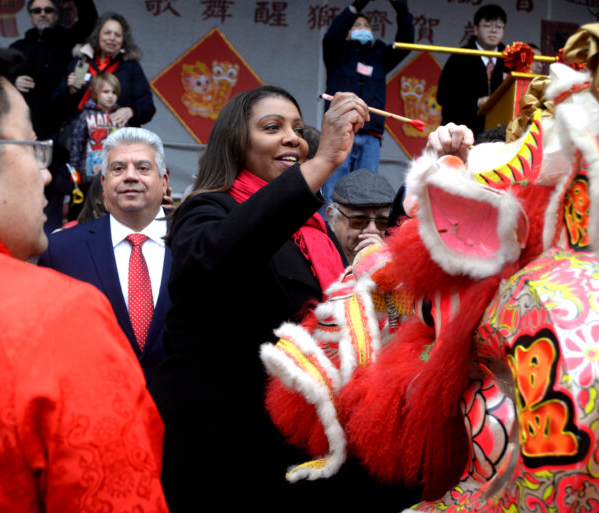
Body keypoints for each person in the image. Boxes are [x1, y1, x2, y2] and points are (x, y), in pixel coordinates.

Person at [0, 37, 167, 511]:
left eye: (143, 168)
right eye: (32, 147)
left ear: (164, 181)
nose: (46, 173)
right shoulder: (58, 315)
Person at [148, 86, 368, 511]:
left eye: (299, 130)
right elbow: (224, 254)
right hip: (222, 449)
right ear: (236, 143)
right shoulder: (207, 211)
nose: (294, 139)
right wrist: (323, 163)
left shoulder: (318, 232)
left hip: (299, 442)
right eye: (273, 127)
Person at [38, 127, 171, 382]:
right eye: (118, 169)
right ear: (104, 182)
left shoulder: (199, 243)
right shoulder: (60, 250)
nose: (130, 176)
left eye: (143, 168)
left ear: (164, 181)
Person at [9, 0, 97, 233]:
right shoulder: (17, 47)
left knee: (54, 191)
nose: (42, 14)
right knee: (20, 186)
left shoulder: (69, 43)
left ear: (57, 15)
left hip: (59, 131)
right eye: (37, 10)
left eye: (48, 10)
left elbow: (89, 19)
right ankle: (19, 239)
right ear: (29, 15)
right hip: (24, 132)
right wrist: (13, 81)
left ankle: (48, 247)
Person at [320, 0, 414, 209]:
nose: (364, 29)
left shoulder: (380, 55)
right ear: (348, 31)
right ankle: (329, 234)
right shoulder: (337, 52)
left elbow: (406, 43)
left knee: (366, 191)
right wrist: (355, 7)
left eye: (367, 26)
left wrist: (402, 11)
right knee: (334, 190)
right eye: (357, 25)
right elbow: (332, 35)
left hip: (371, 134)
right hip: (342, 130)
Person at [53, 11, 156, 129]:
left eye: (117, 35)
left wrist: (131, 111)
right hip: (81, 136)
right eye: (107, 33)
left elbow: (148, 107)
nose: (112, 38)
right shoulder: (81, 62)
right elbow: (54, 106)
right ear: (98, 36)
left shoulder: (131, 66)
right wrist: (69, 91)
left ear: (123, 40)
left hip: (119, 137)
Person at [437, 4, 509, 135]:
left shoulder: (510, 59)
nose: (493, 31)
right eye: (487, 26)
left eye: (499, 27)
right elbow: (443, 96)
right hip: (463, 132)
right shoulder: (459, 57)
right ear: (476, 29)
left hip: (499, 135)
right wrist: (477, 102)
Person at [327, 168, 395, 263]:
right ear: (331, 218)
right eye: (359, 221)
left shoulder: (397, 262)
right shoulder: (313, 256)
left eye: (382, 222)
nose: (372, 230)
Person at [69, 72, 120, 179]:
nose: (110, 96)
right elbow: (77, 143)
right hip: (89, 173)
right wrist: (74, 168)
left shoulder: (119, 115)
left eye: (114, 92)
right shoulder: (86, 115)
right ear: (96, 93)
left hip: (115, 174)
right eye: (106, 92)